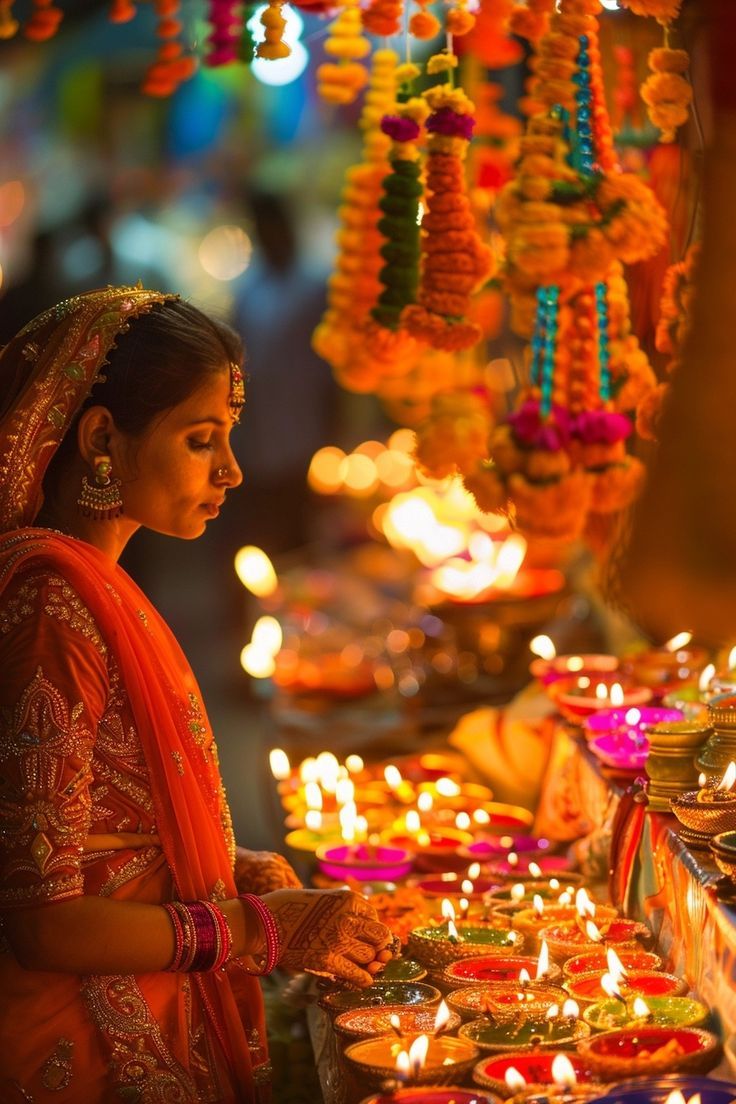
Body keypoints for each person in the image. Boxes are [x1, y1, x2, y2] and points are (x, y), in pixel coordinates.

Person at [0, 286, 393, 1102]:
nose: (231, 471)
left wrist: (223, 870)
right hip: (85, 1044)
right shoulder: (55, 606)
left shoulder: (96, 588)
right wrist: (254, 929)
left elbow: (105, 836)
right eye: (199, 439)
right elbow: (43, 920)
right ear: (104, 437)